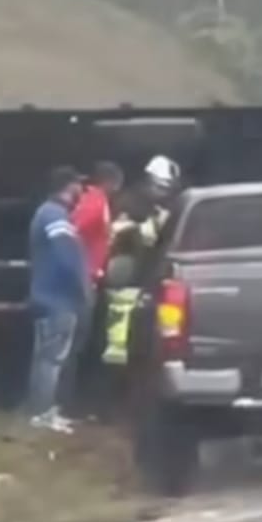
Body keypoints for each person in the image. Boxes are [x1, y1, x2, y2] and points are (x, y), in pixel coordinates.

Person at [25, 166, 91, 433]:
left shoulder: (50, 213)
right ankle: (42, 413)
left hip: (49, 297)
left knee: (47, 358)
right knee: (51, 359)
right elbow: (67, 256)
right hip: (57, 299)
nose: (81, 191)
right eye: (78, 185)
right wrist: (82, 287)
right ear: (68, 185)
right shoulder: (55, 215)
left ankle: (45, 411)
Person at [102, 155, 182, 369]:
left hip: (155, 270)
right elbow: (111, 231)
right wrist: (136, 229)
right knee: (121, 317)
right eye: (161, 187)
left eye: (168, 188)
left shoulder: (171, 205)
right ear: (148, 181)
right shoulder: (128, 201)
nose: (164, 193)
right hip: (128, 269)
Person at [64, 161, 125, 417]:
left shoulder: (97, 201)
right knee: (74, 345)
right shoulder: (95, 202)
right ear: (110, 182)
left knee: (79, 343)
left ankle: (68, 402)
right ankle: (64, 403)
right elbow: (72, 231)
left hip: (88, 279)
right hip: (84, 281)